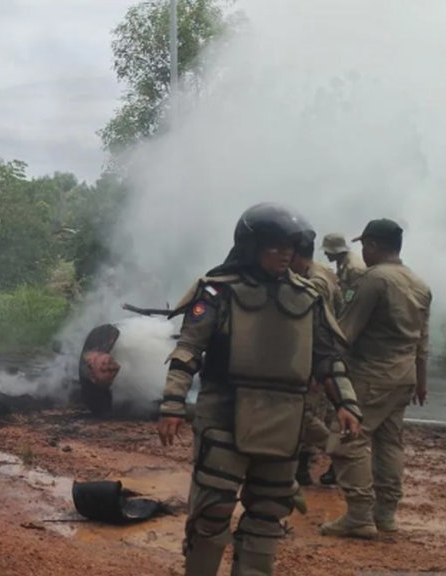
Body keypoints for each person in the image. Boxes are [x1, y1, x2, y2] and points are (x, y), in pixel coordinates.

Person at [157, 203, 362, 576]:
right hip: (224, 415)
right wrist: (172, 402)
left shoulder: (308, 296)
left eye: (291, 246)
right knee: (212, 511)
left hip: (284, 422)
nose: (286, 253)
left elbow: (327, 358)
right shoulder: (218, 292)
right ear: (252, 246)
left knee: (268, 515)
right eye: (275, 245)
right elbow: (189, 349)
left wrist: (346, 402)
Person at [320, 219, 431, 539]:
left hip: (370, 375)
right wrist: (421, 382)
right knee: (389, 444)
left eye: (365, 245)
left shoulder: (373, 280)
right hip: (404, 376)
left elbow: (345, 332)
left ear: (373, 245)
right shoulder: (419, 283)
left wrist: (324, 366)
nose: (363, 252)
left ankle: (358, 515)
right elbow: (423, 342)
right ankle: (385, 514)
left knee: (346, 439)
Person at [290, 228, 345, 485]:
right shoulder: (325, 273)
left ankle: (343, 455)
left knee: (306, 415)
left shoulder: (315, 282)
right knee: (314, 413)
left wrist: (314, 368)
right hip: (325, 356)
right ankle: (303, 467)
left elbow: (313, 328)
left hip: (317, 357)